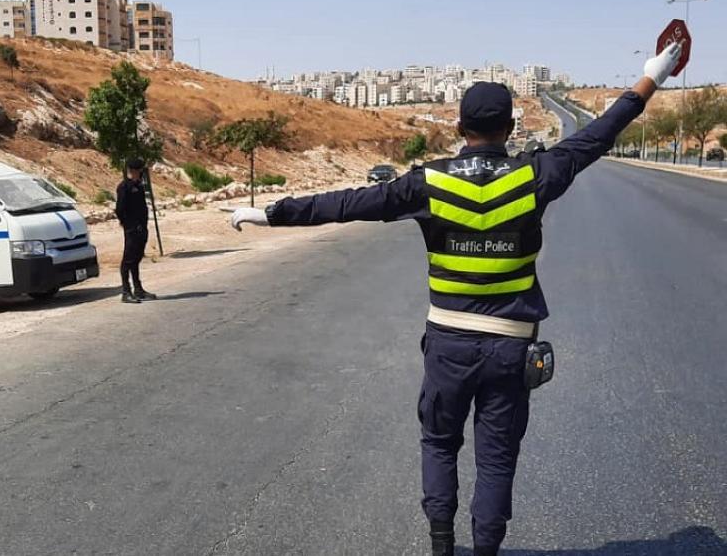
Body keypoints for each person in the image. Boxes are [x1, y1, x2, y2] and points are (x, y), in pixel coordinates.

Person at [229, 42, 683, 555]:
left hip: (448, 346)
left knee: (440, 446)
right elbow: (597, 136)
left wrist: (273, 213)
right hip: (511, 351)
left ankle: (441, 547)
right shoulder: (536, 175)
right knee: (496, 460)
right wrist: (651, 79)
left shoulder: (429, 182)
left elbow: (347, 204)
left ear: (459, 129)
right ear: (510, 129)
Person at [115, 158, 157, 303]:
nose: (143, 172)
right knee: (128, 260)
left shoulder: (138, 186)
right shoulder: (124, 187)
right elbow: (120, 209)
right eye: (140, 170)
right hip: (132, 229)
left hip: (142, 228)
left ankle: (138, 289)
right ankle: (126, 292)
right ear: (134, 170)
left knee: (136, 259)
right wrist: (128, 225)